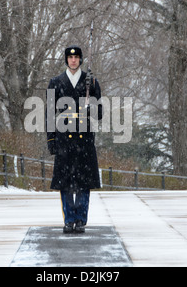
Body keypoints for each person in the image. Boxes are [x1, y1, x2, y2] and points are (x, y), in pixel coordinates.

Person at [46, 45, 103, 234]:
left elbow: (100, 113)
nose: (73, 60)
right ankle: (69, 219)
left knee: (83, 182)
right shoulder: (56, 82)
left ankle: (80, 219)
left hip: (84, 140)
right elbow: (49, 113)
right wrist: (51, 140)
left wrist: (91, 107)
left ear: (80, 59)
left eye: (77, 57)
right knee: (66, 183)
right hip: (64, 140)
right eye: (70, 57)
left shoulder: (91, 82)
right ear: (66, 60)